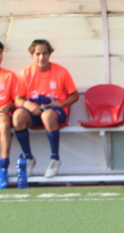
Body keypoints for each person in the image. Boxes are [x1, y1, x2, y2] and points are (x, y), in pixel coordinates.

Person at [12, 39, 79, 179]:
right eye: (38, 54)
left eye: (45, 53)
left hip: (55, 112)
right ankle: (29, 158)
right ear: (32, 55)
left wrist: (60, 104)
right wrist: (27, 104)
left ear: (49, 54)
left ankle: (55, 159)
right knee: (17, 116)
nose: (41, 57)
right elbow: (18, 99)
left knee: (47, 116)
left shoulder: (61, 72)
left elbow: (75, 96)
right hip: (34, 112)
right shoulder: (25, 73)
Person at [0, 41, 17, 188]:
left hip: (2, 113)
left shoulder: (9, 76)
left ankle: (3, 167)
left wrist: (9, 105)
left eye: (0, 53)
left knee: (4, 126)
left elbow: (17, 101)